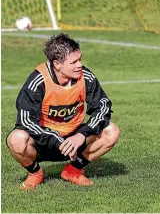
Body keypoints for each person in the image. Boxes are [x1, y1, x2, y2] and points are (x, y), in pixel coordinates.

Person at [6, 33, 120, 190]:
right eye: (73, 62)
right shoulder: (37, 82)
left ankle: (73, 170)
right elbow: (26, 122)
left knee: (111, 131)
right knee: (16, 139)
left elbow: (103, 107)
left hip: (75, 138)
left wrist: (82, 135)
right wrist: (58, 141)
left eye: (80, 59)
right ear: (57, 64)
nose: (79, 65)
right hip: (45, 141)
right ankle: (35, 173)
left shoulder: (85, 76)